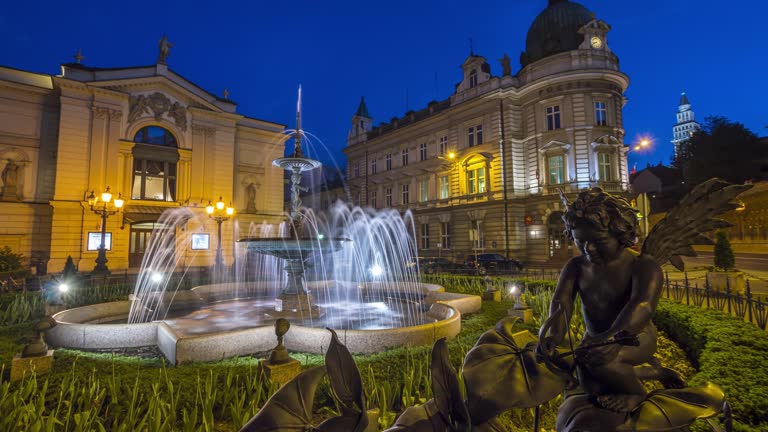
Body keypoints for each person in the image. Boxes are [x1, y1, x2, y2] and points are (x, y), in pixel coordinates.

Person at [538, 188, 663, 413]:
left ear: (620, 235)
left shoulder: (643, 266)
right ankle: (651, 373)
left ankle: (635, 393)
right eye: (581, 241)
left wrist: (613, 339)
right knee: (588, 380)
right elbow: (561, 303)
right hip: (595, 337)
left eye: (599, 241)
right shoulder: (576, 267)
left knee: (604, 363)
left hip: (633, 337)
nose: (589, 249)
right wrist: (553, 335)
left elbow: (642, 306)